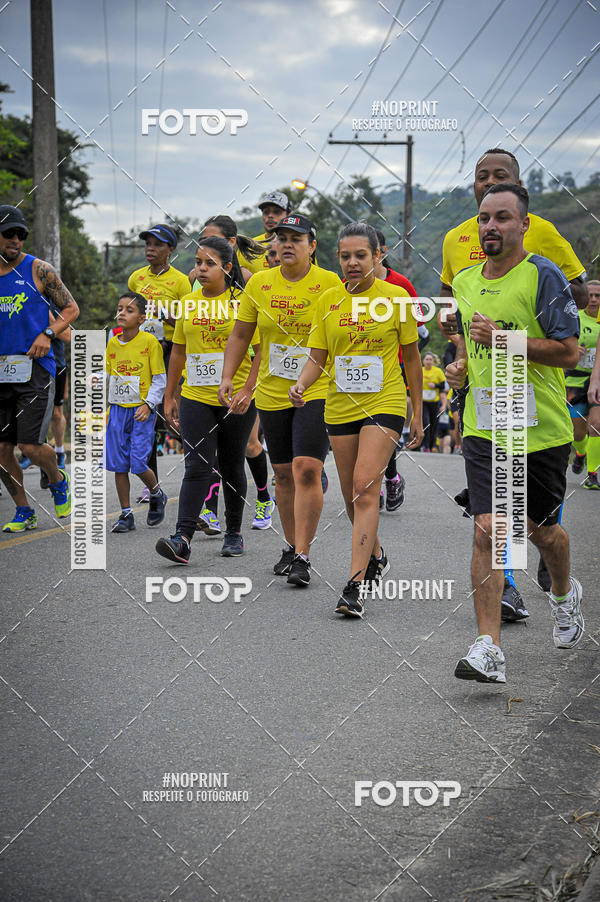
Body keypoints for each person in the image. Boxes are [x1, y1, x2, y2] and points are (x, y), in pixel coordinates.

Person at [446, 183, 583, 684]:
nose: (491, 227)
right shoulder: (464, 281)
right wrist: (459, 367)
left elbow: (569, 352)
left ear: (523, 225)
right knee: (489, 528)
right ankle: (489, 648)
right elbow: (469, 348)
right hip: (485, 426)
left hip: (539, 429)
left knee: (542, 532)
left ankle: (564, 596)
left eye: (502, 218)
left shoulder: (543, 276)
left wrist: (505, 339)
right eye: (484, 218)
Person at [289, 221, 423, 615]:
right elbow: (317, 356)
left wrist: (417, 410)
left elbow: (412, 358)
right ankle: (376, 554)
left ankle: (355, 585)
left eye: (360, 255)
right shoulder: (327, 300)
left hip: (385, 400)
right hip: (340, 405)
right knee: (353, 496)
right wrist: (301, 384)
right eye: (345, 256)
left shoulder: (396, 297)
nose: (352, 263)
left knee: (365, 487)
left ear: (377, 255)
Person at [219, 214, 341, 585]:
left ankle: (303, 554)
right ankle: (290, 545)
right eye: (281, 238)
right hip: (272, 391)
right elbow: (241, 335)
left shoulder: (329, 283)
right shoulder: (260, 284)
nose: (287, 244)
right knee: (284, 474)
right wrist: (229, 377)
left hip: (316, 389)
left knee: (307, 469)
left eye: (296, 239)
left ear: (312, 246)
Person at [156, 236, 260, 563]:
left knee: (231, 464)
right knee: (196, 465)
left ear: (227, 268)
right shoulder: (188, 302)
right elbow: (178, 352)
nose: (201, 269)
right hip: (195, 396)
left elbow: (261, 352)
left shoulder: (242, 302)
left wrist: (248, 391)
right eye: (198, 262)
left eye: (209, 263)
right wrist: (170, 395)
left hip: (235, 398)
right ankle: (182, 538)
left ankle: (234, 532)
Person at [191, 215, 275, 532]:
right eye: (201, 239)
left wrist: (249, 383)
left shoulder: (249, 279)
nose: (204, 245)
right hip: (206, 376)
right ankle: (210, 511)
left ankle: (264, 498)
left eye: (211, 238)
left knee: (248, 445)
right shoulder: (195, 278)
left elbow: (253, 333)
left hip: (245, 373)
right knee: (210, 448)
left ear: (230, 243)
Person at [0, 205, 78, 532]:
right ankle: (24, 511)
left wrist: (48, 333)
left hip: (35, 370)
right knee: (2, 449)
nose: (16, 240)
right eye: (9, 234)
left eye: (21, 234)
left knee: (30, 446)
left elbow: (71, 309)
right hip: (1, 372)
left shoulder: (39, 270)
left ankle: (57, 479)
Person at [128, 224, 190, 502]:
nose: (150, 249)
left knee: (172, 417)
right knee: (147, 419)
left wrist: (163, 314)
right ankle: (150, 484)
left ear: (170, 250)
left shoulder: (181, 282)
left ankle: (203, 465)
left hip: (171, 352)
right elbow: (130, 312)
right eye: (148, 244)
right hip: (144, 353)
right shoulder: (136, 278)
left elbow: (187, 321)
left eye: (157, 244)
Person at [105, 292, 167, 531]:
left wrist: (149, 404)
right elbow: (110, 375)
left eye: (129, 310)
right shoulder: (112, 342)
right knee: (119, 466)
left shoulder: (150, 343)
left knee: (138, 463)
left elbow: (159, 379)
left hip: (141, 412)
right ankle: (126, 514)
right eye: (119, 308)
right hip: (117, 411)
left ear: (142, 318)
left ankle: (157, 493)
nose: (122, 313)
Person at [374, 228, 417, 510]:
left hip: (393, 365)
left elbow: (417, 328)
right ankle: (380, 480)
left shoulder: (401, 285)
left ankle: (389, 477)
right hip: (353, 366)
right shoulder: (343, 286)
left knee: (381, 426)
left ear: (381, 252)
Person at [566, 279, 600, 486]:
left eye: (599, 296)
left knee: (596, 425)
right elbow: (561, 343)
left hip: (597, 380)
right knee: (577, 433)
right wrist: (571, 349)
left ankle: (592, 475)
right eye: (591, 295)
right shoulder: (575, 318)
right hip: (575, 381)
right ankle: (580, 453)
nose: (594, 300)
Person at [39, 308, 70, 489]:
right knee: (38, 413)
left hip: (55, 365)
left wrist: (46, 313)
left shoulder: (55, 303)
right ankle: (43, 462)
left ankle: (59, 453)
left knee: (55, 414)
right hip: (28, 364)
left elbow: (66, 336)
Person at [421, 352, 446, 452]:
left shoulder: (438, 371)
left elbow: (443, 386)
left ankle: (432, 446)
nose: (428, 361)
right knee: (425, 423)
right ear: (423, 361)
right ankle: (426, 446)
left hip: (435, 402)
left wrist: (435, 385)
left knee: (433, 424)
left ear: (433, 361)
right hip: (423, 402)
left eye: (430, 359)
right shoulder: (420, 370)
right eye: (426, 359)